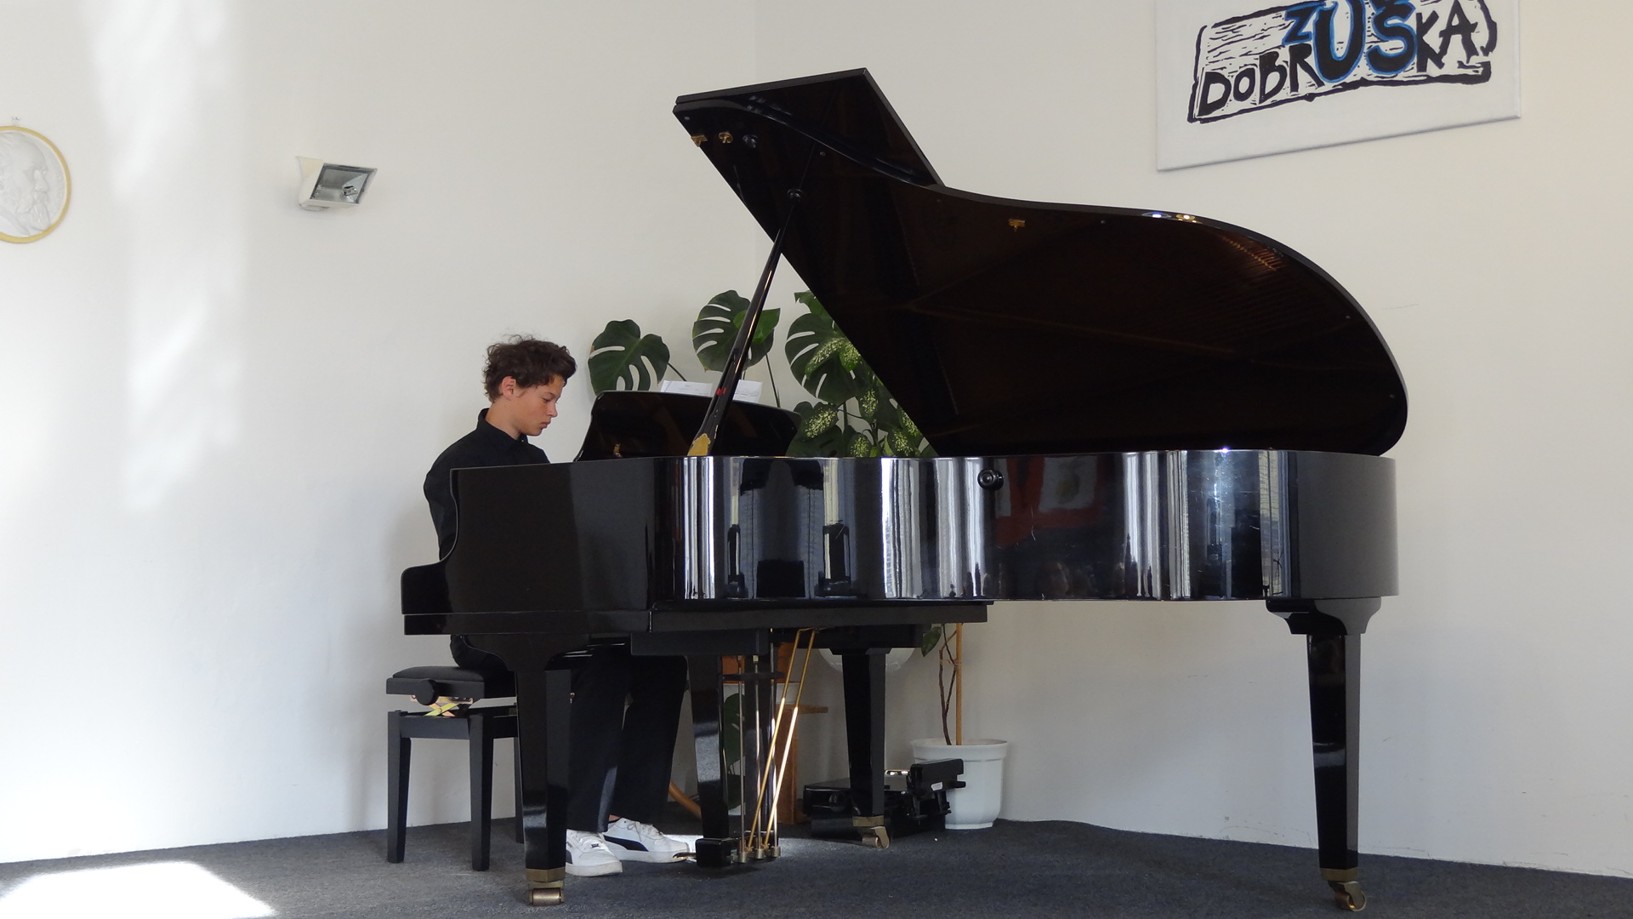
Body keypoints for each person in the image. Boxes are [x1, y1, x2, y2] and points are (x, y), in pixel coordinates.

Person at [422, 335, 691, 877]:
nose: (553, 411)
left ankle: (628, 818)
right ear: (509, 387)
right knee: (603, 664)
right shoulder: (456, 465)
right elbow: (469, 571)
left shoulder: (538, 461)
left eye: (557, 399)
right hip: (487, 632)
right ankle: (571, 826)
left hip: (551, 620)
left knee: (663, 662)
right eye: (546, 398)